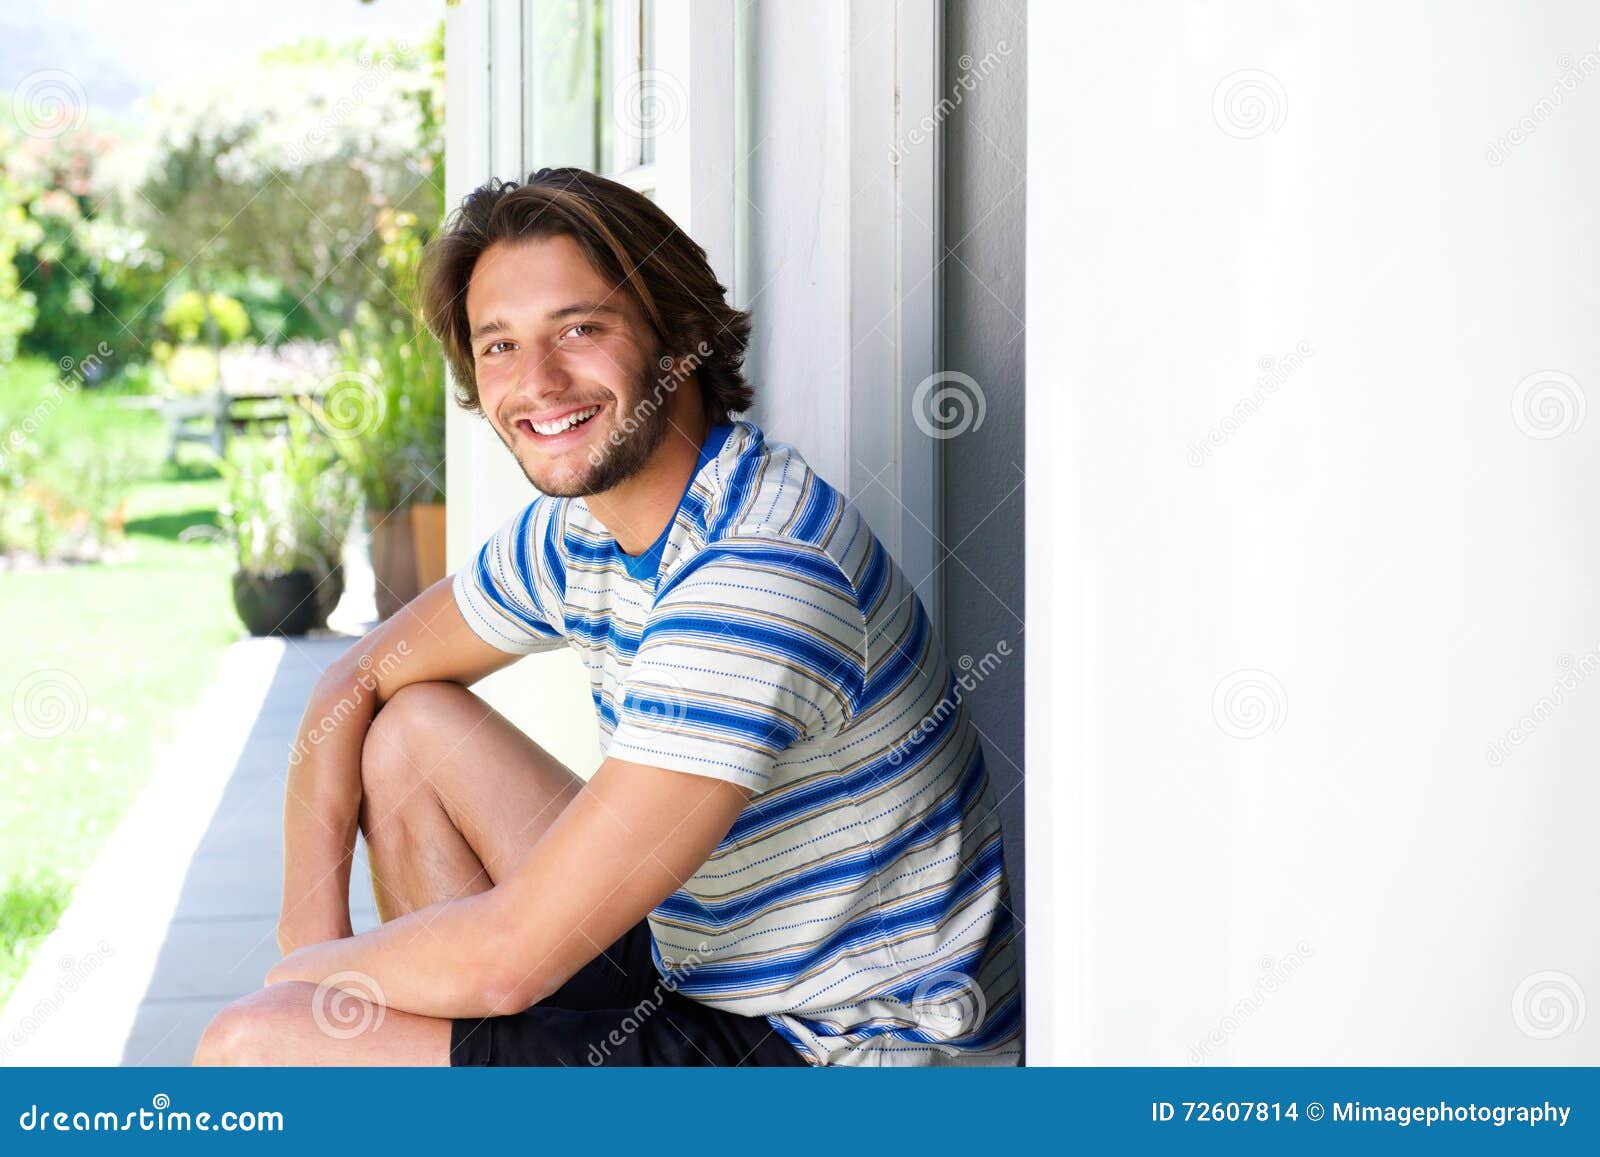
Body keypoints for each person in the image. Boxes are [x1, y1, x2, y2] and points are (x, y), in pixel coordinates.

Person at [194, 167, 1019, 1067]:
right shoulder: (584, 529)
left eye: (580, 329)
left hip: (846, 1056)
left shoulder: (755, 574)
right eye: (498, 345)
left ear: (679, 342)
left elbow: (508, 959)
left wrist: (303, 995)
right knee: (411, 735)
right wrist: (306, 947)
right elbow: (354, 677)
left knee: (256, 1046)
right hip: (709, 975)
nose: (537, 382)